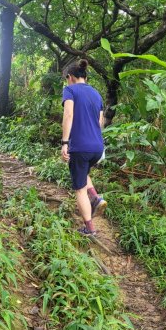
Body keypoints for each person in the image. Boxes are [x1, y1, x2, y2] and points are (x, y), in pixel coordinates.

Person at [60, 59, 107, 236]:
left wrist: (65, 142)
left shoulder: (69, 90)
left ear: (70, 77)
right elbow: (99, 122)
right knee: (83, 171)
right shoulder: (96, 94)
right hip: (97, 146)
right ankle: (95, 197)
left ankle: (89, 228)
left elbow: (69, 115)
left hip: (80, 146)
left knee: (79, 189)